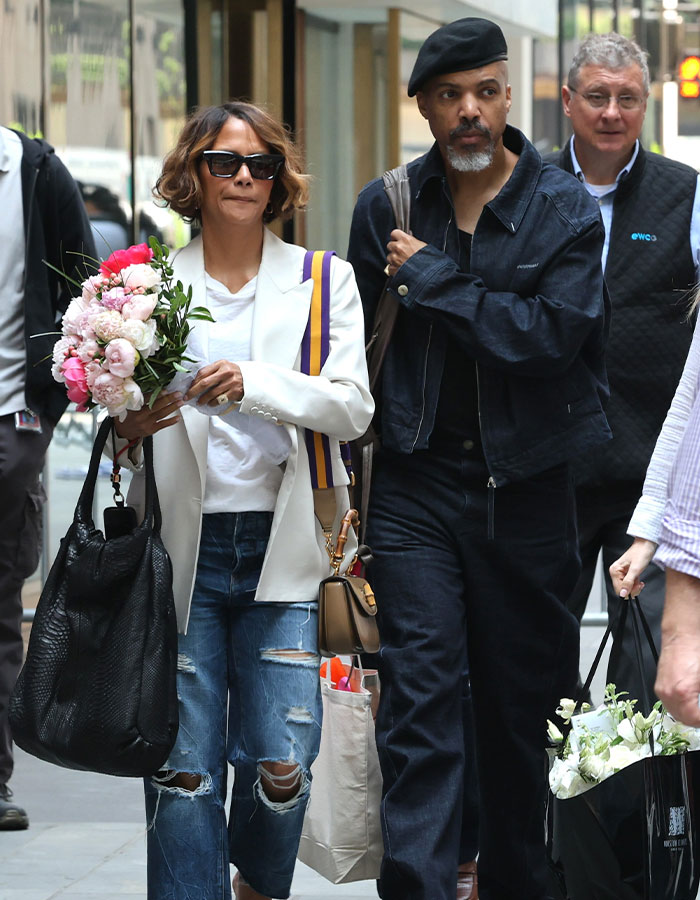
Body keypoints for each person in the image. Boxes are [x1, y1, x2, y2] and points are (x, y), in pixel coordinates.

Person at [347, 17, 610, 900]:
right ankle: (418, 888)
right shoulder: (387, 207)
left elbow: (549, 339)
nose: (471, 111)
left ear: (508, 97)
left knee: (521, 711)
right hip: (415, 484)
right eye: (451, 96)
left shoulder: (563, 209)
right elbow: (357, 350)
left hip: (526, 488)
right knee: (419, 702)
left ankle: (517, 883)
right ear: (424, 107)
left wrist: (436, 282)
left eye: (487, 92)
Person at [110, 101, 373, 900]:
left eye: (261, 164)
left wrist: (254, 383)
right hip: (179, 554)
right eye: (225, 162)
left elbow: (352, 407)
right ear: (193, 173)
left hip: (286, 551)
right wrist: (130, 425)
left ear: (278, 180)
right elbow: (121, 431)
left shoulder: (323, 281)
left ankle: (257, 882)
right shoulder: (147, 286)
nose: (244, 177)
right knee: (183, 769)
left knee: (283, 759)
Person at [547, 33, 700, 707]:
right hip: (550, 467)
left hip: (648, 472)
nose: (612, 113)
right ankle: (545, 777)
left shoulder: (685, 194)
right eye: (597, 96)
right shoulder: (529, 190)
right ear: (568, 101)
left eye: (628, 98)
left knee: (646, 666)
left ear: (645, 104)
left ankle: (640, 781)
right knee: (538, 657)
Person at [0, 126, 95, 830]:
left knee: (0, 602)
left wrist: (50, 398)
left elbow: (89, 289)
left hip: (12, 420)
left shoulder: (31, 170)